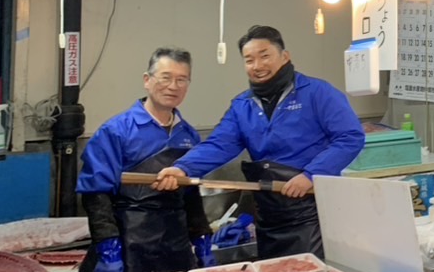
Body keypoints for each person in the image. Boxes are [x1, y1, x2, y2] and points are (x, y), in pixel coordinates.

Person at [155, 25, 364, 258]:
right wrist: (182, 168)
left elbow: (350, 137)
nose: (257, 65)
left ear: (285, 56)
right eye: (249, 60)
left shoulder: (318, 92)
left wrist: (310, 175)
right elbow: (219, 145)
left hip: (313, 210)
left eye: (264, 56)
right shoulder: (241, 105)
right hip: (268, 213)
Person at [77, 47, 212, 272]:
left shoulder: (189, 135)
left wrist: (201, 237)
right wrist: (109, 248)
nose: (173, 86)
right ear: (147, 80)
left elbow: (191, 194)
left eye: (181, 80)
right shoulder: (116, 131)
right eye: (166, 77)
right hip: (129, 242)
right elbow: (96, 194)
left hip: (175, 244)